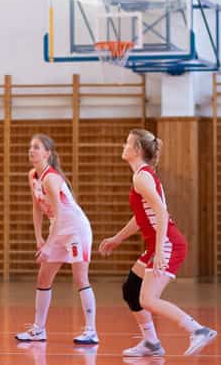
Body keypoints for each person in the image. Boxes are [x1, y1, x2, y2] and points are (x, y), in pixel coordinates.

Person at [99, 129, 217, 357]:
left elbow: (162, 213)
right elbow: (142, 216)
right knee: (131, 289)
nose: (123, 147)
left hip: (168, 242)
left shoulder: (141, 177)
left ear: (137, 150)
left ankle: (198, 330)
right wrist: (117, 239)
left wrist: (161, 248)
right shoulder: (142, 176)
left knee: (148, 299)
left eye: (127, 143)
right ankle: (151, 343)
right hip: (158, 242)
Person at [15, 134, 98, 344]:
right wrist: (39, 238)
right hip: (57, 228)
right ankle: (38, 329)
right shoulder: (33, 175)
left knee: (80, 279)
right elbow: (37, 207)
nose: (31, 150)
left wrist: (50, 245)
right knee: (43, 278)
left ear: (47, 153)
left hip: (75, 230)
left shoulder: (51, 178)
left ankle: (91, 331)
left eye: (36, 147)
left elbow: (60, 214)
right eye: (30, 147)